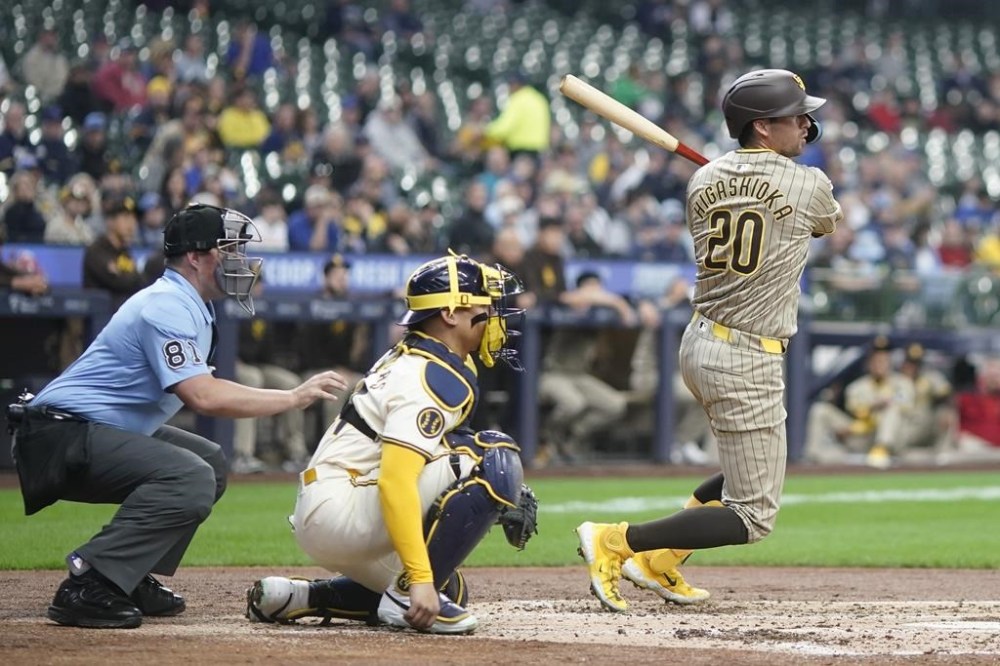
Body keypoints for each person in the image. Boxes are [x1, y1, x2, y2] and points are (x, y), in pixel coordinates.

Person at [6, 204, 348, 629]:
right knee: (191, 476)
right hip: (60, 434)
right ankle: (91, 580)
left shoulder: (189, 302)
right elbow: (202, 395)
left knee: (209, 462)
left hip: (89, 429)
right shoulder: (166, 304)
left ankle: (128, 575)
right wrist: (292, 396)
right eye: (228, 249)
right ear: (196, 257)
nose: (238, 259)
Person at [575, 69, 841, 611]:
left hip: (701, 342)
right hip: (745, 354)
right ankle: (618, 541)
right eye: (796, 117)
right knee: (753, 515)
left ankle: (659, 561)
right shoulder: (809, 183)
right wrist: (765, 183)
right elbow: (825, 223)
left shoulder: (703, 179)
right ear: (761, 127)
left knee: (757, 467)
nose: (806, 125)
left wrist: (744, 178)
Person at [245, 253, 538, 634]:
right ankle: (402, 595)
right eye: (482, 306)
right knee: (496, 459)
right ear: (450, 314)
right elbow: (396, 481)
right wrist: (418, 579)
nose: (492, 315)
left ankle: (302, 596)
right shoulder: (426, 373)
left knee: (449, 590)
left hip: (331, 504)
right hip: (344, 506)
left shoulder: (422, 354)